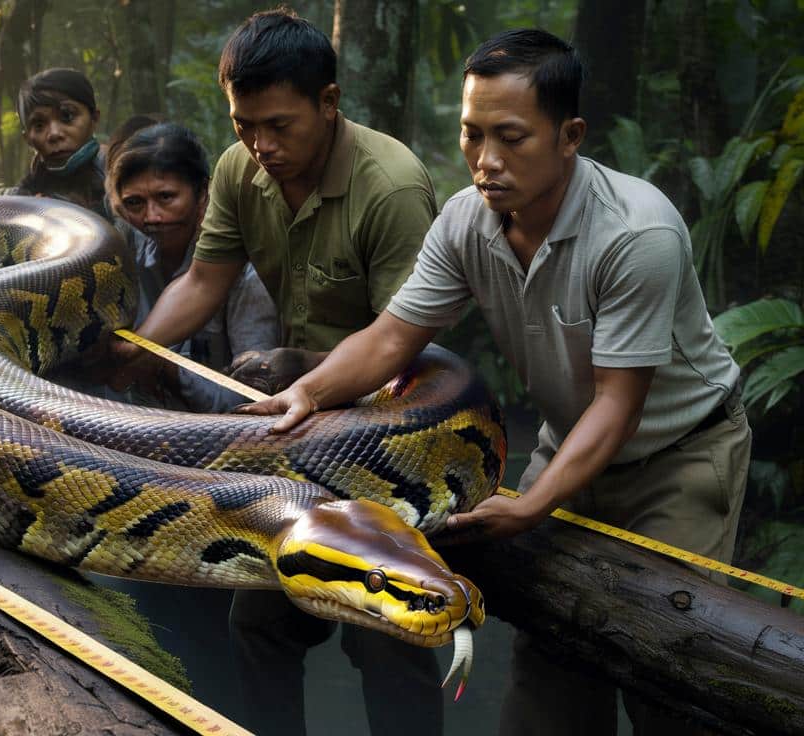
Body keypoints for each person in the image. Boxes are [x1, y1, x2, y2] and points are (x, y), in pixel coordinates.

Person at [238, 29, 750, 736]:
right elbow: (392, 337)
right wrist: (311, 391)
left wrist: (533, 504)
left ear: (569, 136)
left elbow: (619, 404)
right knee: (549, 674)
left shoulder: (638, 234)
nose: (486, 160)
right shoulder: (464, 220)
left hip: (680, 458)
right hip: (570, 440)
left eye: (511, 137)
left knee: (668, 674)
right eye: (472, 135)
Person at [106, 10, 442, 736]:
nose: (260, 145)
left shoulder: (391, 187)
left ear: (329, 102)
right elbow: (205, 279)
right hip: (299, 426)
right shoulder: (240, 171)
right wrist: (136, 348)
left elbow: (401, 340)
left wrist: (308, 377)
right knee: (258, 622)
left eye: (278, 126)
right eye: (243, 125)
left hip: (385, 426)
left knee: (387, 635)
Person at [106, 122, 279, 412]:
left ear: (202, 192)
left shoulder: (247, 277)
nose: (152, 217)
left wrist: (168, 370)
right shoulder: (124, 260)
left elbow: (254, 398)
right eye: (135, 203)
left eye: (166, 197)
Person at [1, 67, 111, 218]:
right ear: (27, 138)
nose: (54, 134)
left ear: (94, 118)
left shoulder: (119, 176)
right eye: (39, 125)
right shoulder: (21, 196)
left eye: (67, 116)